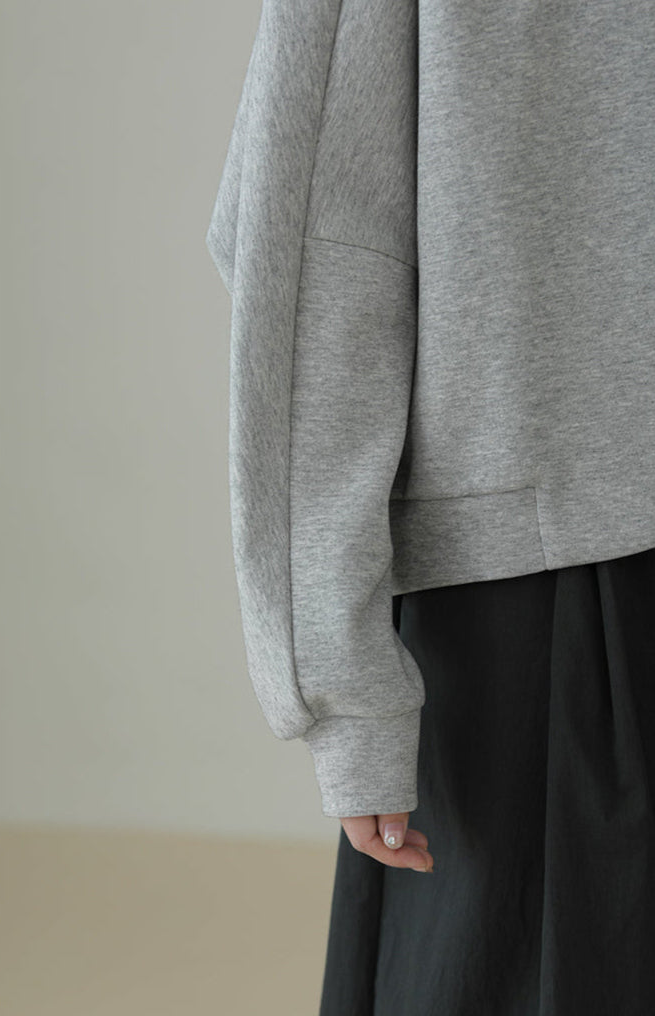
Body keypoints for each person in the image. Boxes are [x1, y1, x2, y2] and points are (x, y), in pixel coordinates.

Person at [205, 1, 655, 1011]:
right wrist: (345, 695)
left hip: (555, 574)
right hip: (550, 600)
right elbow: (310, 254)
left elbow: (306, 247)